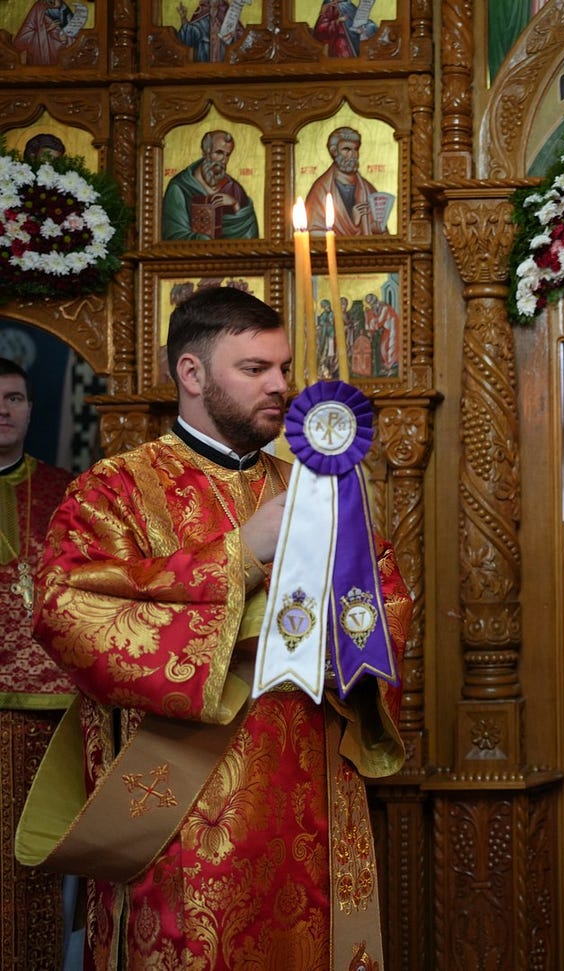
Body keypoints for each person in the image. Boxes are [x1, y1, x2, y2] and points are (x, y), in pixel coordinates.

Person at [27, 286, 410, 968]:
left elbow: (382, 599)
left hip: (311, 799)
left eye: (283, 368)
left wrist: (346, 650)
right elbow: (68, 610)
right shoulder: (114, 490)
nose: (280, 386)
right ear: (193, 373)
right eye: (255, 369)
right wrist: (240, 554)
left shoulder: (313, 485)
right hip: (181, 814)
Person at [0, 359, 76, 968]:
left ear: (30, 409)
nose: (4, 410)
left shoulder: (69, 492)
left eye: (15, 398)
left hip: (53, 715)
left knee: (41, 860)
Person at [160, 129, 260, 240]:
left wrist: (235, 204)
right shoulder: (180, 187)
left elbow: (249, 234)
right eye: (219, 153)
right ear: (205, 152)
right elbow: (173, 234)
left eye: (227, 155)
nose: (223, 160)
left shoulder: (233, 188)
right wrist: (203, 241)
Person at [305, 126, 391, 235]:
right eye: (347, 149)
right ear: (334, 151)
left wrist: (377, 230)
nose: (353, 155)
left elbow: (382, 233)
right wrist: (352, 221)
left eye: (356, 149)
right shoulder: (321, 189)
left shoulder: (368, 189)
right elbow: (313, 232)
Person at [14, 0, 74, 66]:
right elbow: (23, 36)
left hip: (58, 52)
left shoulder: (64, 6)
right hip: (41, 51)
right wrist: (47, 29)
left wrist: (63, 37)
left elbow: (69, 30)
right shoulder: (38, 7)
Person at [312, 0, 377, 57]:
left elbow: (357, 19)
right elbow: (320, 29)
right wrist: (337, 21)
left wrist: (363, 27)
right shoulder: (330, 6)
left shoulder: (348, 4)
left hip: (355, 38)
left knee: (371, 27)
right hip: (341, 42)